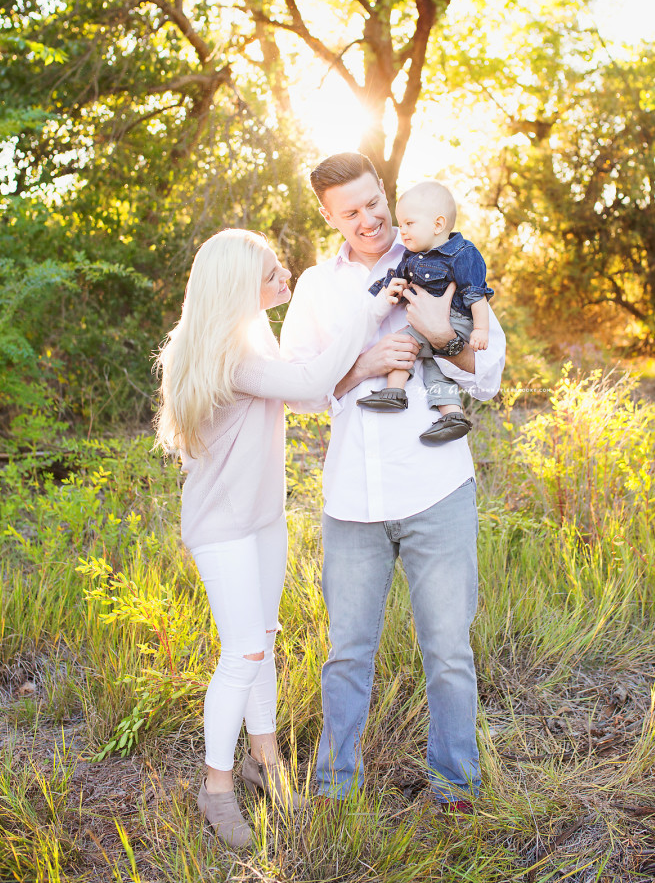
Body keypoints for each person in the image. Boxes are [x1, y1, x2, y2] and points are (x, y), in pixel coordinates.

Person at [153, 228, 403, 848]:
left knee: (262, 640)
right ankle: (216, 787)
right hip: (223, 527)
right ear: (241, 285)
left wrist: (348, 361)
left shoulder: (247, 336)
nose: (285, 274)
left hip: (260, 516)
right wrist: (369, 312)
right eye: (272, 271)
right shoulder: (223, 355)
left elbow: (309, 386)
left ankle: (265, 764)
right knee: (242, 653)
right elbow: (311, 379)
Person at [280, 152, 506, 810]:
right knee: (346, 654)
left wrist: (440, 334)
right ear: (328, 216)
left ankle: (456, 787)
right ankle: (333, 791)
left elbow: (486, 372)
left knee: (449, 654)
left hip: (437, 487)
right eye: (350, 212)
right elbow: (295, 390)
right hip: (352, 500)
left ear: (386, 192)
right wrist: (360, 367)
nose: (370, 219)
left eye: (374, 202)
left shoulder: (444, 255)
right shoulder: (319, 288)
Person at [356, 179, 494, 445]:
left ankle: (394, 392)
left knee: (404, 342)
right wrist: (387, 290)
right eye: (402, 223)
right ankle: (452, 415)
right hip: (431, 327)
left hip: (457, 321)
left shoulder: (464, 254)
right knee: (435, 367)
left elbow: (477, 295)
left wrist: (480, 330)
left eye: (410, 223)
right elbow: (398, 278)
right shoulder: (412, 255)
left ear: (438, 224)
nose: (403, 231)